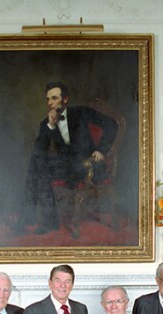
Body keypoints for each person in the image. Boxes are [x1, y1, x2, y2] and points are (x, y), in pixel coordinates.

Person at [26, 81, 118, 237]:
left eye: (54, 98)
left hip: (88, 165)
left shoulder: (82, 112)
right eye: (48, 99)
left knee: (39, 166)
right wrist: (50, 126)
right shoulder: (46, 123)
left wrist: (101, 149)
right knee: (37, 164)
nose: (50, 103)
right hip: (66, 167)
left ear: (65, 99)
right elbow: (39, 151)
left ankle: (27, 216)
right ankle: (50, 222)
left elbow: (112, 124)